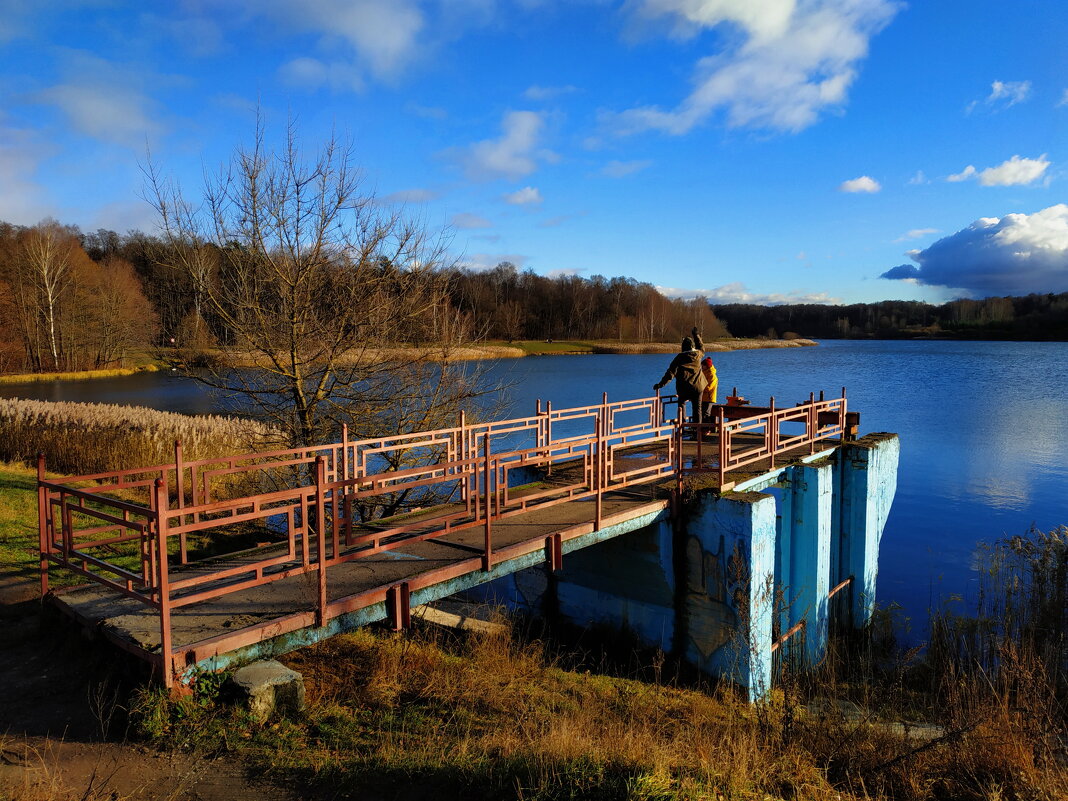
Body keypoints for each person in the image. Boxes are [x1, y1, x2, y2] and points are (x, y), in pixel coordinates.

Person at [653, 327, 707, 422]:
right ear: (692, 346)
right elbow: (701, 347)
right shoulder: (698, 355)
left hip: (684, 387)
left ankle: (682, 427)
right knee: (697, 408)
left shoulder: (679, 358)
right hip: (698, 386)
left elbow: (670, 374)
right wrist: (696, 335)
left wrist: (660, 385)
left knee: (681, 405)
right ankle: (697, 430)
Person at [700, 356, 718, 424]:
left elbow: (708, 387)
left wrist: (699, 388)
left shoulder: (712, 375)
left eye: (703, 366)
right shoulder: (703, 373)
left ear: (706, 366)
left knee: (706, 414)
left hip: (709, 398)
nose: (702, 367)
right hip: (702, 397)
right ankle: (701, 429)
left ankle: (707, 429)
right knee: (701, 414)